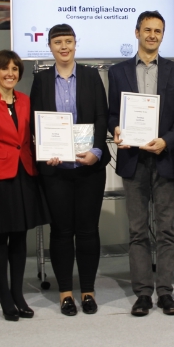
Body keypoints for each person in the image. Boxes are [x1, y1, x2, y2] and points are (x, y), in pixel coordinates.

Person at [108, 10, 174, 316]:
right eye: (147, 30)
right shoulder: (118, 72)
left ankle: (165, 292)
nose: (152, 35)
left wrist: (166, 140)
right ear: (137, 32)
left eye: (158, 31)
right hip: (133, 160)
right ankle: (143, 293)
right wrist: (116, 129)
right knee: (137, 230)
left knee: (166, 229)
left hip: (164, 157)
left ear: (163, 35)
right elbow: (112, 114)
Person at [29, 24, 111, 317]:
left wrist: (97, 151)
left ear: (76, 44)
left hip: (89, 168)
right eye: (58, 42)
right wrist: (45, 151)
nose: (63, 47)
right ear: (50, 47)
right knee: (61, 231)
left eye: (68, 41)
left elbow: (102, 116)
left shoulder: (91, 75)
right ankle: (65, 292)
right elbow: (35, 120)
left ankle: (87, 290)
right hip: (56, 170)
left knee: (88, 231)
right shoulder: (40, 80)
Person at [0, 50, 49, 321]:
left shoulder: (26, 101)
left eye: (15, 69)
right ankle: (4, 295)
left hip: (24, 174)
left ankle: (18, 294)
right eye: (5, 69)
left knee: (19, 237)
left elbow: (33, 137)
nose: (10, 73)